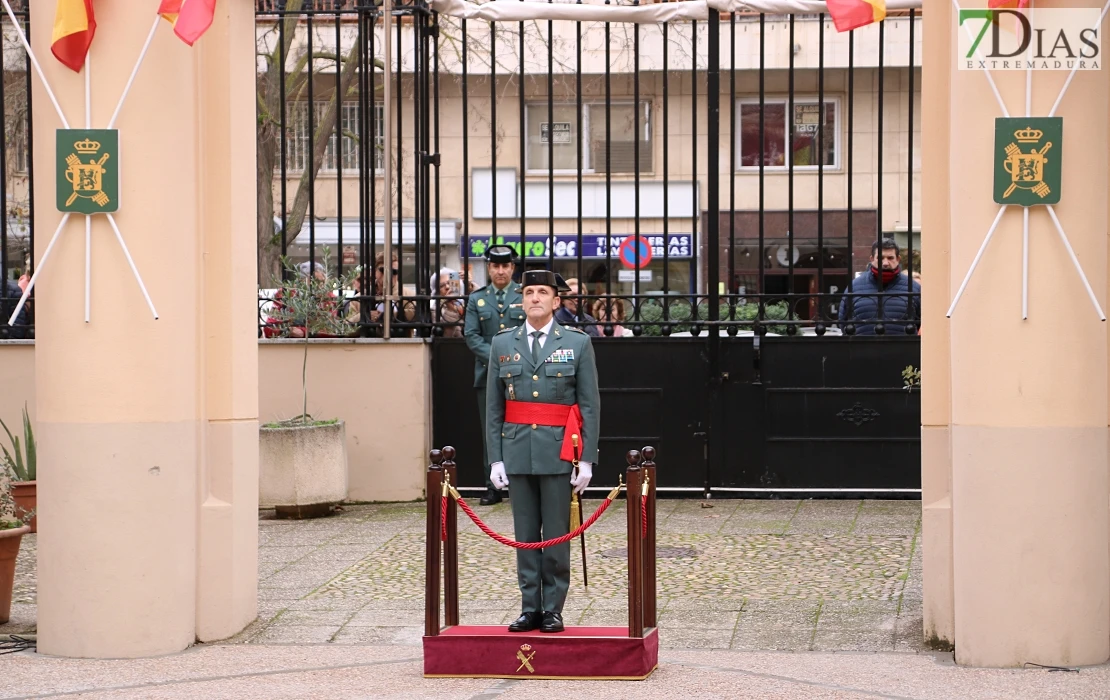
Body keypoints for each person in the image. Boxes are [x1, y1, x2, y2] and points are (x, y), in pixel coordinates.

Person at [485, 269, 600, 634]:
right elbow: (493, 407)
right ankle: (529, 606)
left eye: (542, 292)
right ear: (523, 300)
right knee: (524, 535)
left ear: (556, 301)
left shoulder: (578, 343)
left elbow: (590, 404)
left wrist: (587, 458)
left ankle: (553, 608)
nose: (535, 297)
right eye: (529, 292)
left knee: (554, 534)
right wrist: (495, 458)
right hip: (517, 449)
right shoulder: (503, 344)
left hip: (558, 452)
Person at [464, 245, 526, 505]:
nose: (500, 271)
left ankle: (520, 482)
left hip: (521, 374)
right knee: (491, 429)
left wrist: (511, 362)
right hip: (487, 375)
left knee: (520, 428)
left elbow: (527, 332)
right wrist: (498, 359)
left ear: (512, 268)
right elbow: (471, 336)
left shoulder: (523, 295)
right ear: (488, 268)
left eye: (505, 266)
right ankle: (492, 485)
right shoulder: (477, 299)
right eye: (495, 266)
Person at [838, 238, 921, 335]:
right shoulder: (854, 287)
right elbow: (843, 321)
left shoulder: (913, 287)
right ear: (872, 259)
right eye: (880, 258)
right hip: (863, 348)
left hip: (902, 348)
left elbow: (921, 320)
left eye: (890, 258)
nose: (885, 263)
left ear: (898, 259)